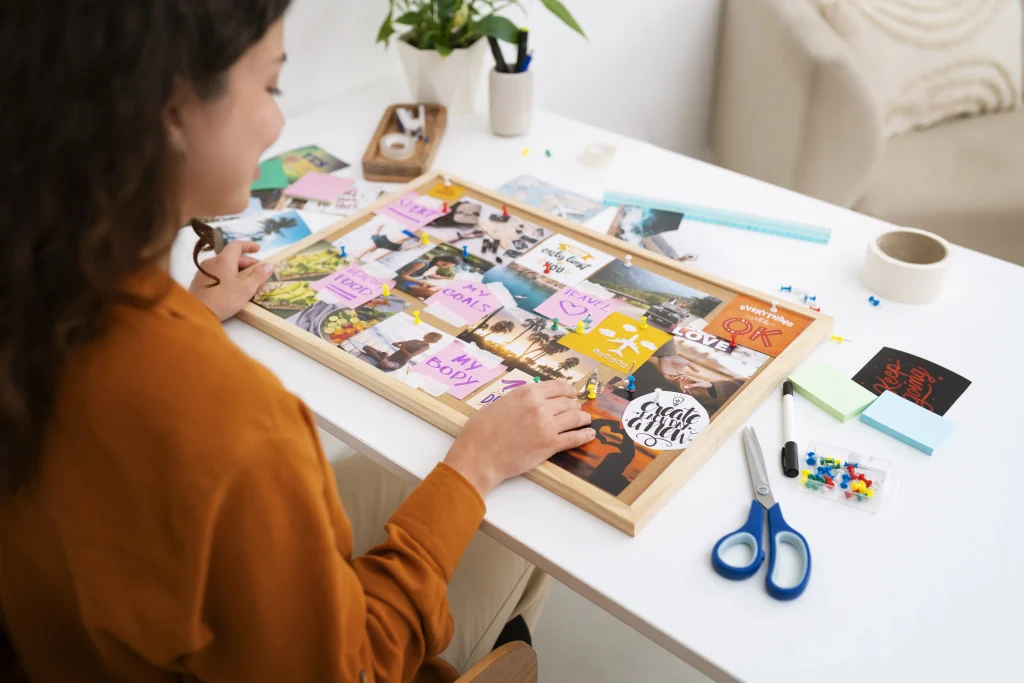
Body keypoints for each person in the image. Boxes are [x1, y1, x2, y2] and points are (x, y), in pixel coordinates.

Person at [0, 4, 596, 682]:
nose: (279, 122)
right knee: (524, 513)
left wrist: (186, 315)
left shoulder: (44, 298)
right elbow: (353, 666)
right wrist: (475, 465)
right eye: (270, 85)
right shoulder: (243, 426)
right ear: (170, 112)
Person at [364, 331, 443, 371]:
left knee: (384, 364)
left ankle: (384, 357)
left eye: (430, 337)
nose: (428, 337)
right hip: (392, 357)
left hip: (399, 362)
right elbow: (401, 343)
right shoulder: (415, 340)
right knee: (366, 347)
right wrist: (397, 344)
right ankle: (384, 357)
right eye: (429, 335)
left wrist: (402, 348)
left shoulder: (426, 347)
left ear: (432, 339)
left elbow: (410, 356)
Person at [397, 254, 463, 299]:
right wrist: (420, 283)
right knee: (432, 295)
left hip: (417, 282)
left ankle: (420, 293)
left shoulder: (436, 266)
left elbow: (431, 274)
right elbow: (403, 276)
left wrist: (446, 278)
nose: (443, 267)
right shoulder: (422, 264)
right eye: (444, 264)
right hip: (405, 283)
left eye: (446, 266)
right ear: (440, 259)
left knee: (439, 289)